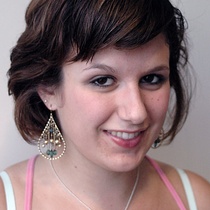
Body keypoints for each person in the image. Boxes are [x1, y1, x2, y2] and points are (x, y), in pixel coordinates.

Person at [0, 0, 210, 209]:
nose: (136, 113)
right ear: (48, 89)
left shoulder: (199, 199)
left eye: (151, 79)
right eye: (102, 80)